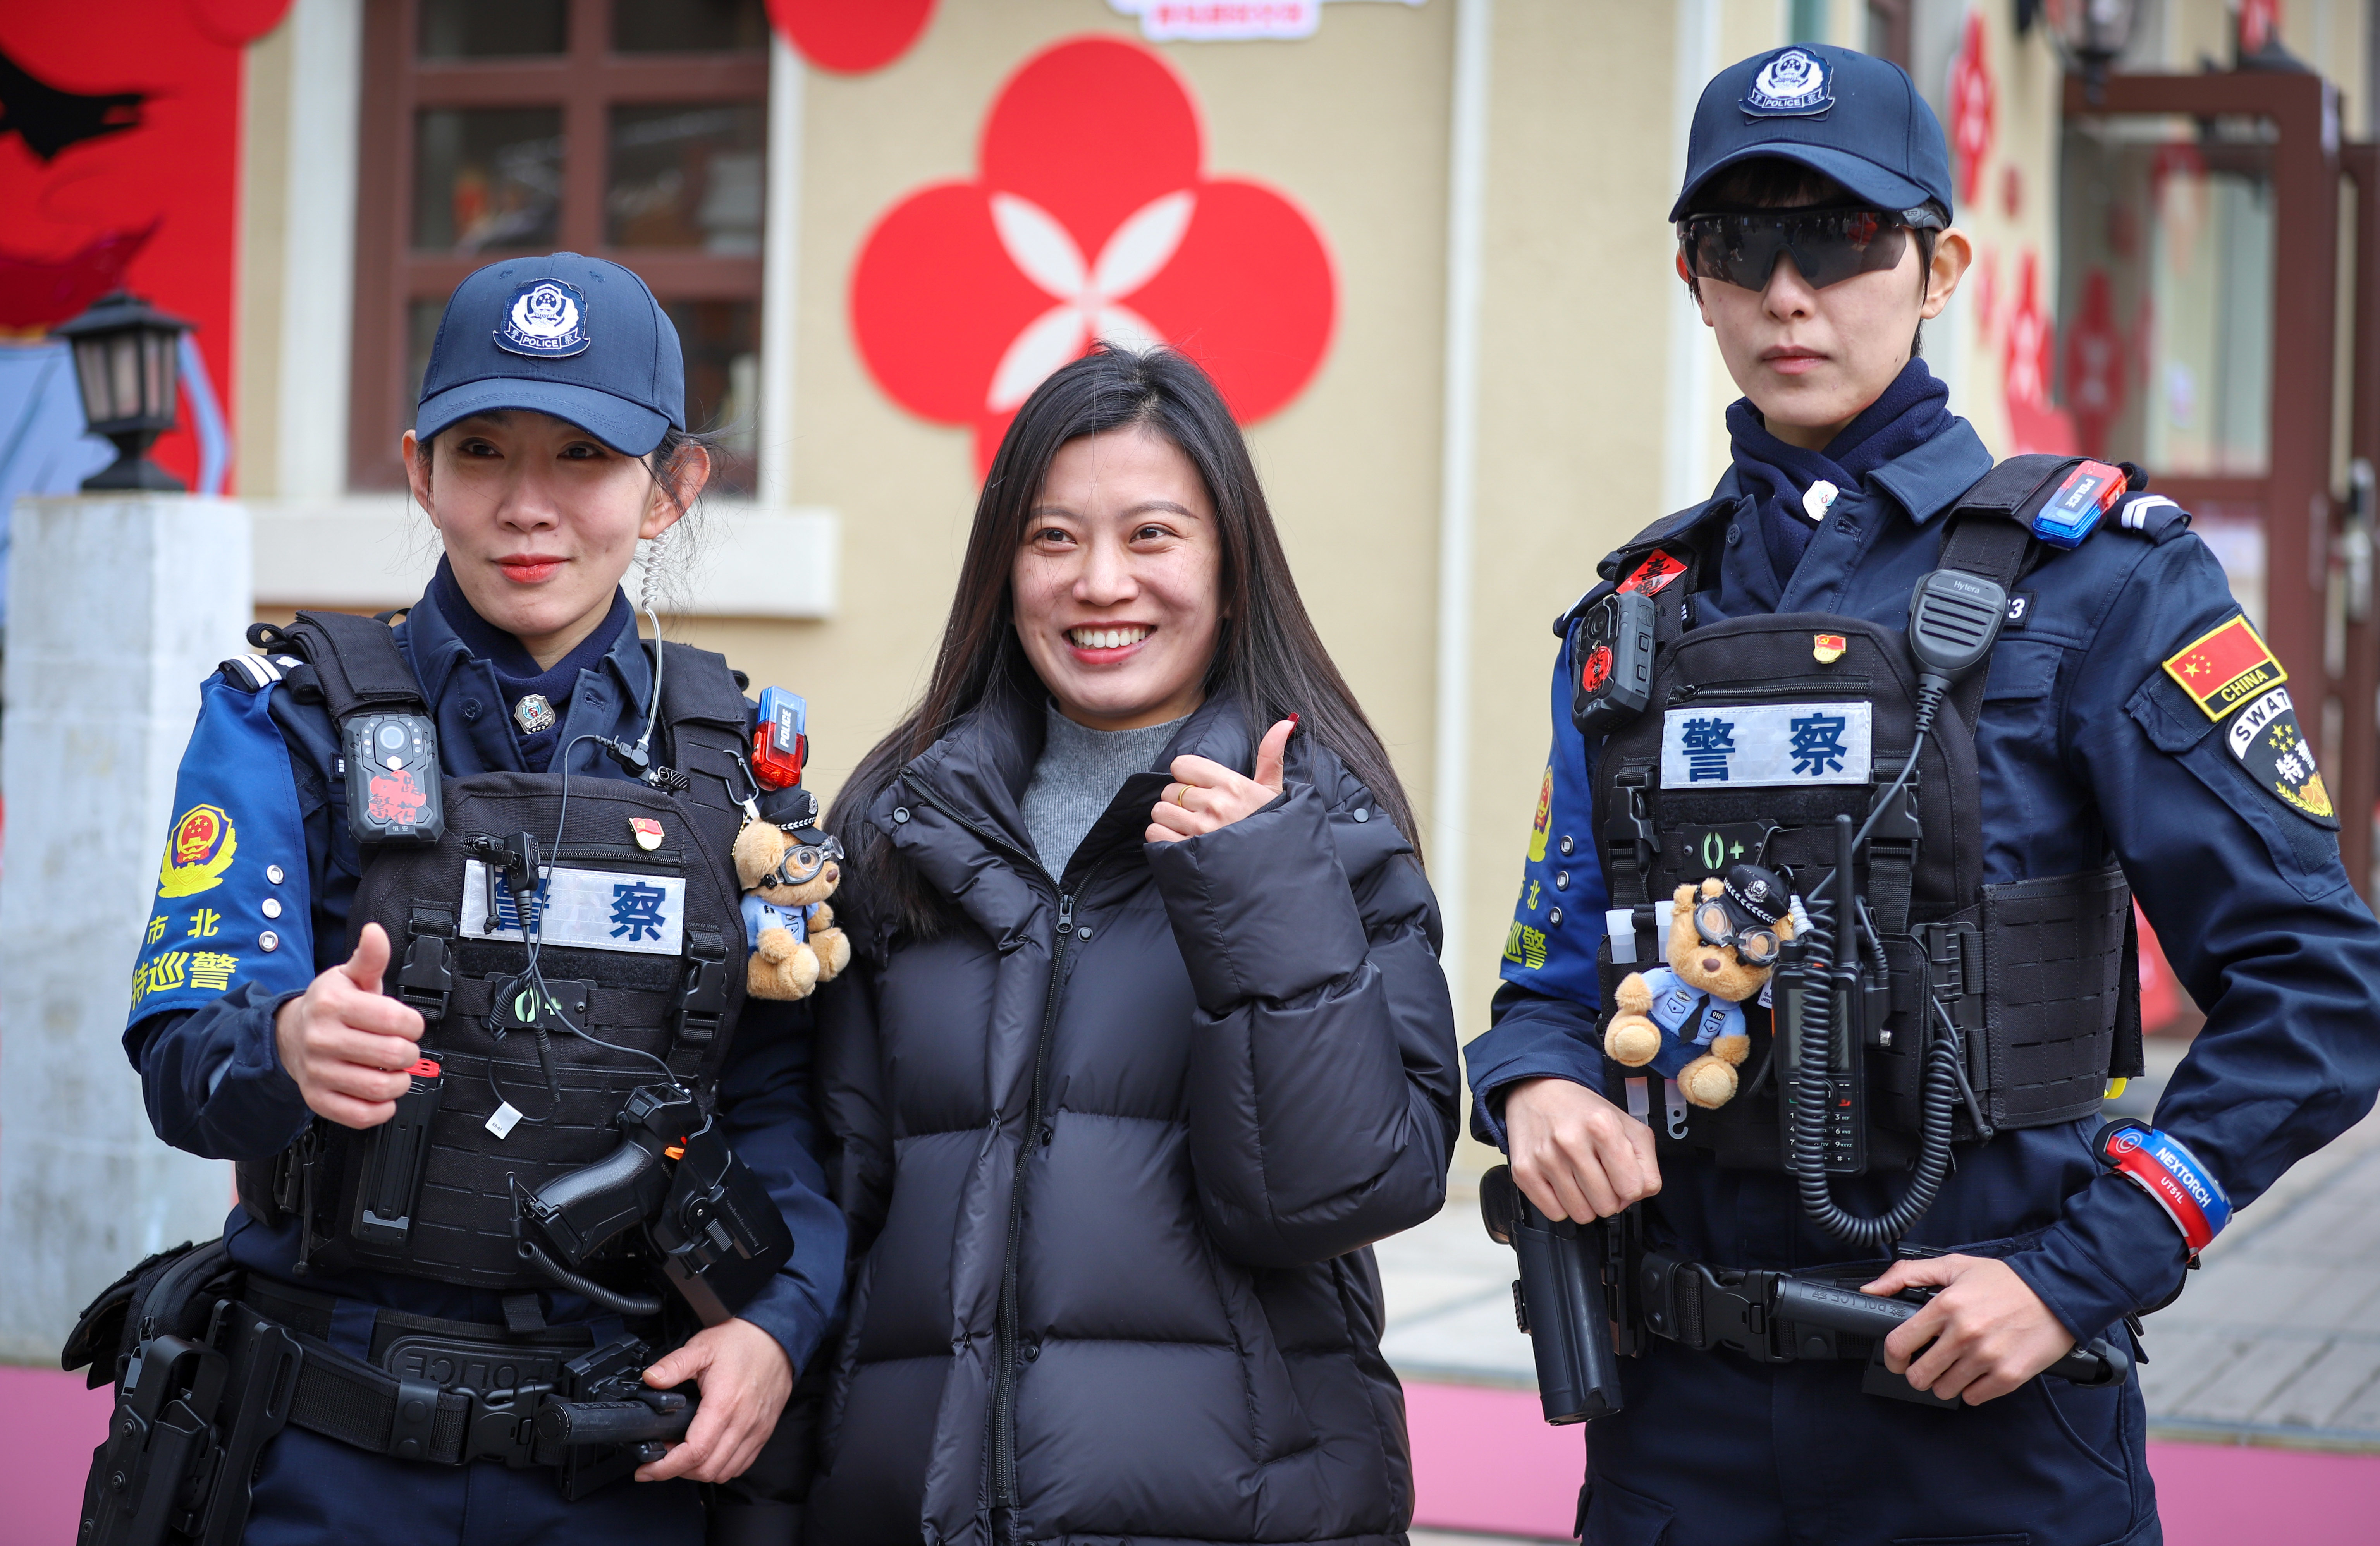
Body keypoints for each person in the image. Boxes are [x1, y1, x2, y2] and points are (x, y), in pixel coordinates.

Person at [1463, 43, 2380, 1546]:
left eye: (1841, 235)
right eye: (1741, 241)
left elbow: (2321, 984)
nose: (1789, 288)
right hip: (1676, 1430)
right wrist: (1541, 1081)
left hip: (1990, 1419)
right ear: (1691, 274)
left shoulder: (2103, 584)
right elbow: (1551, 977)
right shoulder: (1636, 621)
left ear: (1939, 261)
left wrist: (2092, 1263)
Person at [104, 254, 845, 1545]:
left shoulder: (736, 764)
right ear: (417, 470)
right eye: (484, 450)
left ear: (671, 490)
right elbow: (180, 1062)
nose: (527, 507)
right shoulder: (285, 717)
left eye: (584, 460)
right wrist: (285, 1046)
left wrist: (777, 1329)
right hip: (318, 1454)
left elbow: (781, 1104)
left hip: (621, 1465)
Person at [808, 346, 1460, 1546]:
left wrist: (1259, 892)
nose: (1101, 583)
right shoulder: (903, 821)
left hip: (1240, 1509)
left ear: (1229, 565)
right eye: (1054, 539)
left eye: (1153, 535)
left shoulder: (1324, 822)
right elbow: (838, 1205)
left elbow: (1346, 1193)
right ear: (1003, 569)